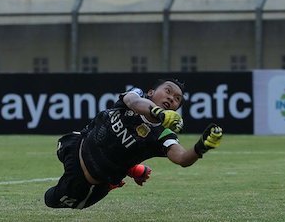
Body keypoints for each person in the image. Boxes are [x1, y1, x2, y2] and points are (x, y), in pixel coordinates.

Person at [44, 78, 223, 210]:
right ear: (151, 92)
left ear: (176, 109)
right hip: (75, 144)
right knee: (64, 144)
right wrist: (158, 112)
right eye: (167, 91)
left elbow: (182, 158)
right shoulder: (136, 95)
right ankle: (130, 169)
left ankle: (121, 174)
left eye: (177, 99)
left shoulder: (162, 134)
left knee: (50, 200)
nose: (171, 98)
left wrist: (201, 147)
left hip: (87, 183)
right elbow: (133, 102)